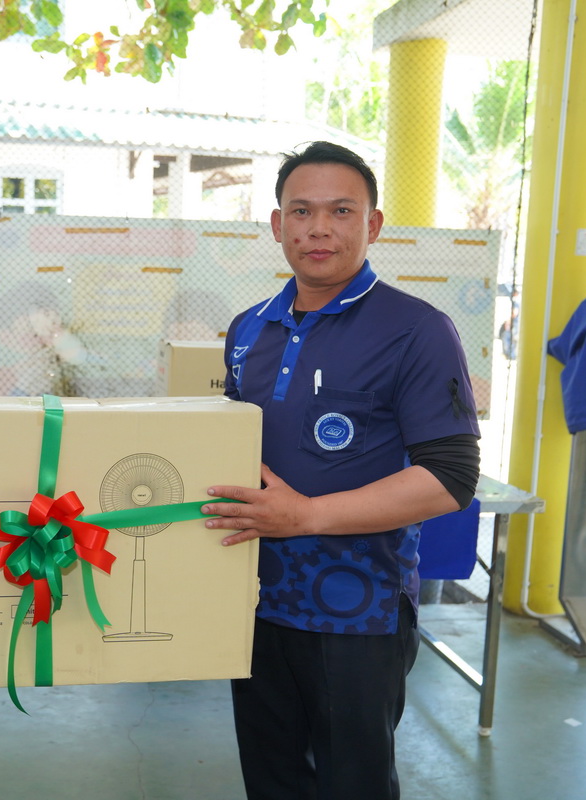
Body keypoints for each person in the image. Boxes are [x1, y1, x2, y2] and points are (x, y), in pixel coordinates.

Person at [201, 142, 481, 800]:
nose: (319, 228)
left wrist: (307, 516)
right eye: (301, 211)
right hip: (254, 601)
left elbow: (451, 477)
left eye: (341, 211)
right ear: (278, 225)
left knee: (354, 784)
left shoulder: (417, 330)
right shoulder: (248, 331)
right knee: (272, 778)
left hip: (359, 612)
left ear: (373, 224)